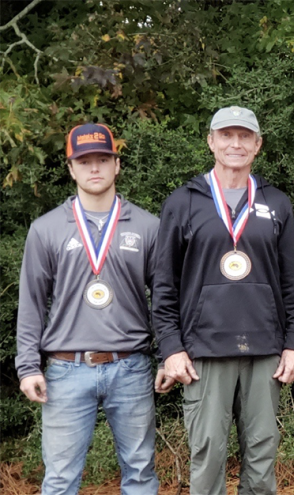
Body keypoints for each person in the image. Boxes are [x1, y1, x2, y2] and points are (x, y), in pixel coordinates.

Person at [152, 106, 294, 495]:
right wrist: (171, 348)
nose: (235, 144)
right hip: (202, 350)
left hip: (266, 350)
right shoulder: (183, 202)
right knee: (207, 453)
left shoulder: (276, 203)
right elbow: (164, 284)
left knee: (262, 451)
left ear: (257, 145)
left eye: (244, 136)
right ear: (211, 141)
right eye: (226, 135)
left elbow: (292, 283)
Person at [16, 123, 162, 494]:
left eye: (102, 159)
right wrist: (28, 366)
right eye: (85, 161)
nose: (94, 168)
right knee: (61, 478)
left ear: (117, 165)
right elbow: (31, 302)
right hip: (66, 369)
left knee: (141, 473)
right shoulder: (46, 229)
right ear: (71, 168)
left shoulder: (148, 227)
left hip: (130, 366)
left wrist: (169, 355)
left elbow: (165, 300)